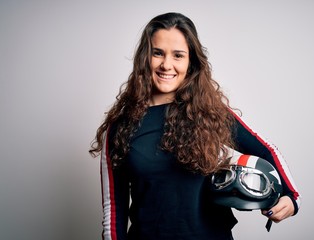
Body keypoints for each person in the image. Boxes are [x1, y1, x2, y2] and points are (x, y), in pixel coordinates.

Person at [89, 12, 301, 240]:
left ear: (191, 62)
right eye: (157, 53)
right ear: (144, 57)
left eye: (178, 55)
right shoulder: (120, 127)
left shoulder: (210, 113)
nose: (166, 65)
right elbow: (114, 209)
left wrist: (291, 197)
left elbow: (266, 150)